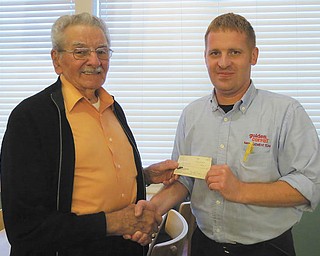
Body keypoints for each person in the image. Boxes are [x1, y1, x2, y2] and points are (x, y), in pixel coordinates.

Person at [131, 13, 320, 256]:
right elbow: (186, 180)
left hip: (267, 248)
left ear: (253, 56)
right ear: (205, 57)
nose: (223, 63)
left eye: (234, 52)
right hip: (204, 245)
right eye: (215, 53)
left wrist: (240, 190)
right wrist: (153, 209)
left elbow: (308, 186)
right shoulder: (191, 114)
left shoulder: (287, 113)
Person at [0, 12, 178, 256]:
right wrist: (114, 222)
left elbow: (86, 179)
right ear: (57, 60)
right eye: (81, 51)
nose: (94, 61)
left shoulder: (113, 108)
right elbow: (25, 226)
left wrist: (144, 176)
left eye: (102, 51)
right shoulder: (30, 118)